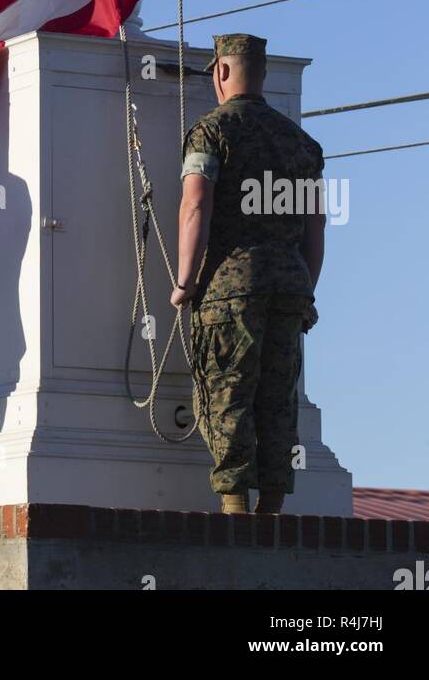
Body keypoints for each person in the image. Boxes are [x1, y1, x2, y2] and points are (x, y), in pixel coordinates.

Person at [170, 34, 326, 516]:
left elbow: (196, 203)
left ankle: (234, 508)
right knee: (277, 394)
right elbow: (315, 227)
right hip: (290, 285)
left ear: (220, 71)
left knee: (229, 389)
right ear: (263, 74)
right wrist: (307, 290)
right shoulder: (301, 143)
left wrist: (184, 281)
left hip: (229, 288)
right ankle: (272, 508)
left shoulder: (211, 132)